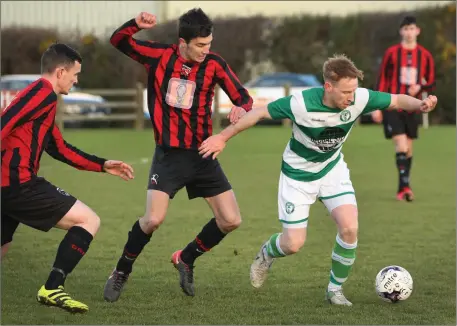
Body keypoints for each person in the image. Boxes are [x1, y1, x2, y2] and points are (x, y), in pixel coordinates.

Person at [199, 54, 437, 306]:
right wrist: (222, 137)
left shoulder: (359, 98)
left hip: (332, 170)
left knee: (349, 228)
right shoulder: (301, 103)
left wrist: (419, 105)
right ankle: (267, 253)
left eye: (354, 90)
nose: (351, 97)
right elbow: (259, 114)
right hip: (297, 176)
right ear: (328, 86)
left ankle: (334, 290)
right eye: (346, 91)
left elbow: (396, 100)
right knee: (293, 244)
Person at [103, 8, 253, 301]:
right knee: (153, 220)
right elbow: (118, 40)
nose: (205, 51)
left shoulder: (214, 64)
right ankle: (121, 271)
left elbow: (244, 97)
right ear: (182, 42)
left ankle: (185, 257)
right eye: (199, 45)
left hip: (203, 153)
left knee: (231, 220)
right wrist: (135, 25)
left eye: (208, 44)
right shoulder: (159, 56)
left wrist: (241, 108)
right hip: (169, 156)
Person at [1, 43, 135, 313]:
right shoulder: (42, 93)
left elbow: (59, 148)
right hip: (19, 184)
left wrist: (102, 165)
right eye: (75, 74)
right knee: (88, 220)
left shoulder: (41, 97)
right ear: (60, 72)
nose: (76, 80)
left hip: (8, 186)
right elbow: (4, 123)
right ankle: (52, 287)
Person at [371, 15, 435, 201]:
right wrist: (377, 106)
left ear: (417, 31)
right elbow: (382, 79)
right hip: (393, 105)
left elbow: (431, 81)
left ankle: (403, 187)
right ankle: (405, 187)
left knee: (408, 149)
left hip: (413, 107)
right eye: (405, 29)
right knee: (401, 144)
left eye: (411, 28)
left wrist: (420, 87)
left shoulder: (425, 55)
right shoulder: (392, 53)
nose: (408, 32)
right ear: (401, 31)